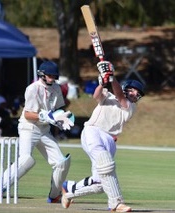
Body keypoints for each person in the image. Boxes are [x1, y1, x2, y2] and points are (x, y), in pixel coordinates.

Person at [0, 61, 74, 203]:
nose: (52, 78)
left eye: (54, 76)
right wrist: (47, 117)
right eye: (49, 75)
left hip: (45, 130)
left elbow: (58, 109)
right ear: (42, 74)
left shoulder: (56, 88)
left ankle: (54, 195)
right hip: (29, 128)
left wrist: (61, 119)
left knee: (62, 163)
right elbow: (28, 114)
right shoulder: (33, 89)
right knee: (26, 160)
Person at [60, 61, 142, 212]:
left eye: (138, 94)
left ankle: (69, 195)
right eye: (133, 91)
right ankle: (116, 204)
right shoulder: (108, 96)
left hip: (110, 140)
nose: (135, 95)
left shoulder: (130, 107)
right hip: (93, 132)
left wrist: (111, 77)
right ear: (126, 88)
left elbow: (120, 96)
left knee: (100, 183)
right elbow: (96, 95)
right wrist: (103, 83)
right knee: (106, 164)